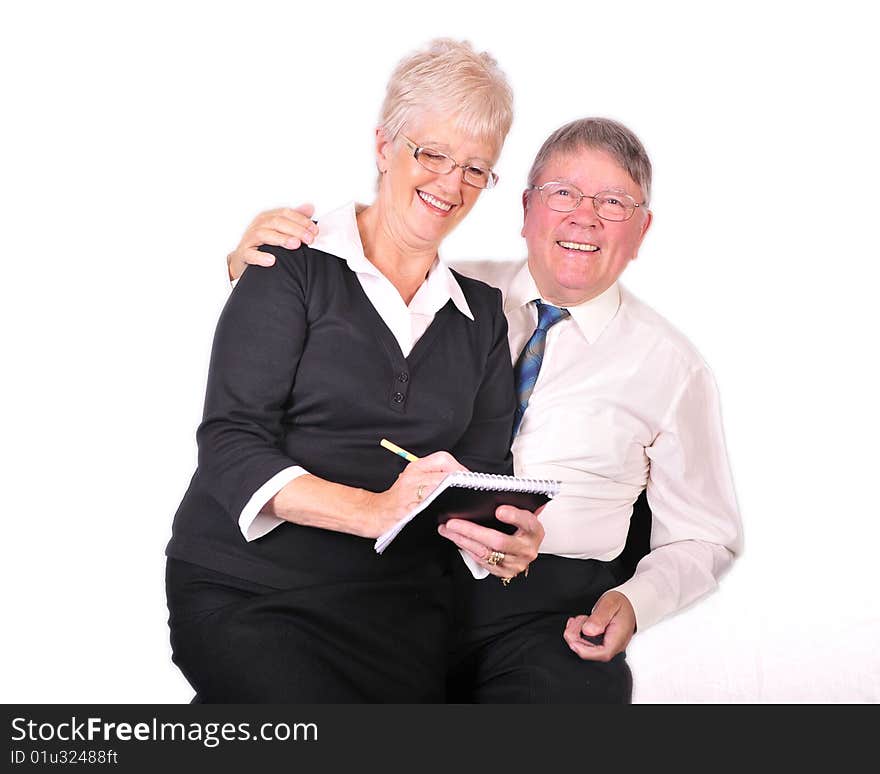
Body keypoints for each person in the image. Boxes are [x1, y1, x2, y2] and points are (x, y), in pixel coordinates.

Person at [227, 117, 743, 703]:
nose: (584, 216)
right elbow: (325, 326)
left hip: (546, 617)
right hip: (388, 580)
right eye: (564, 194)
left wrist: (633, 602)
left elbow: (703, 536)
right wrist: (257, 266)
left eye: (614, 202)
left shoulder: (673, 367)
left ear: (643, 229)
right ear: (526, 210)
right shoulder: (441, 293)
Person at [165, 39, 545, 703]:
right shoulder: (290, 263)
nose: (451, 184)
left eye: (476, 168)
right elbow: (229, 446)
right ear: (382, 146)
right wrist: (374, 510)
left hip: (395, 613)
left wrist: (501, 542)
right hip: (252, 591)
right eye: (432, 154)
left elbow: (479, 480)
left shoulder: (483, 317)